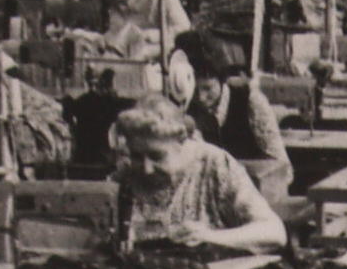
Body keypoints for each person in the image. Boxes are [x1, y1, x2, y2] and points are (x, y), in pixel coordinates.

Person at [110, 99, 286, 254]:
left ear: (181, 144)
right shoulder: (127, 174)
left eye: (157, 157)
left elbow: (274, 232)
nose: (146, 169)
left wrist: (210, 236)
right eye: (137, 156)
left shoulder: (214, 164)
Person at [174, 31, 292, 202]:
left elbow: (282, 166)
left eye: (208, 88)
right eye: (195, 90)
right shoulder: (184, 107)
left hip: (255, 196)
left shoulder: (250, 101)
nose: (200, 97)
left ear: (222, 80)